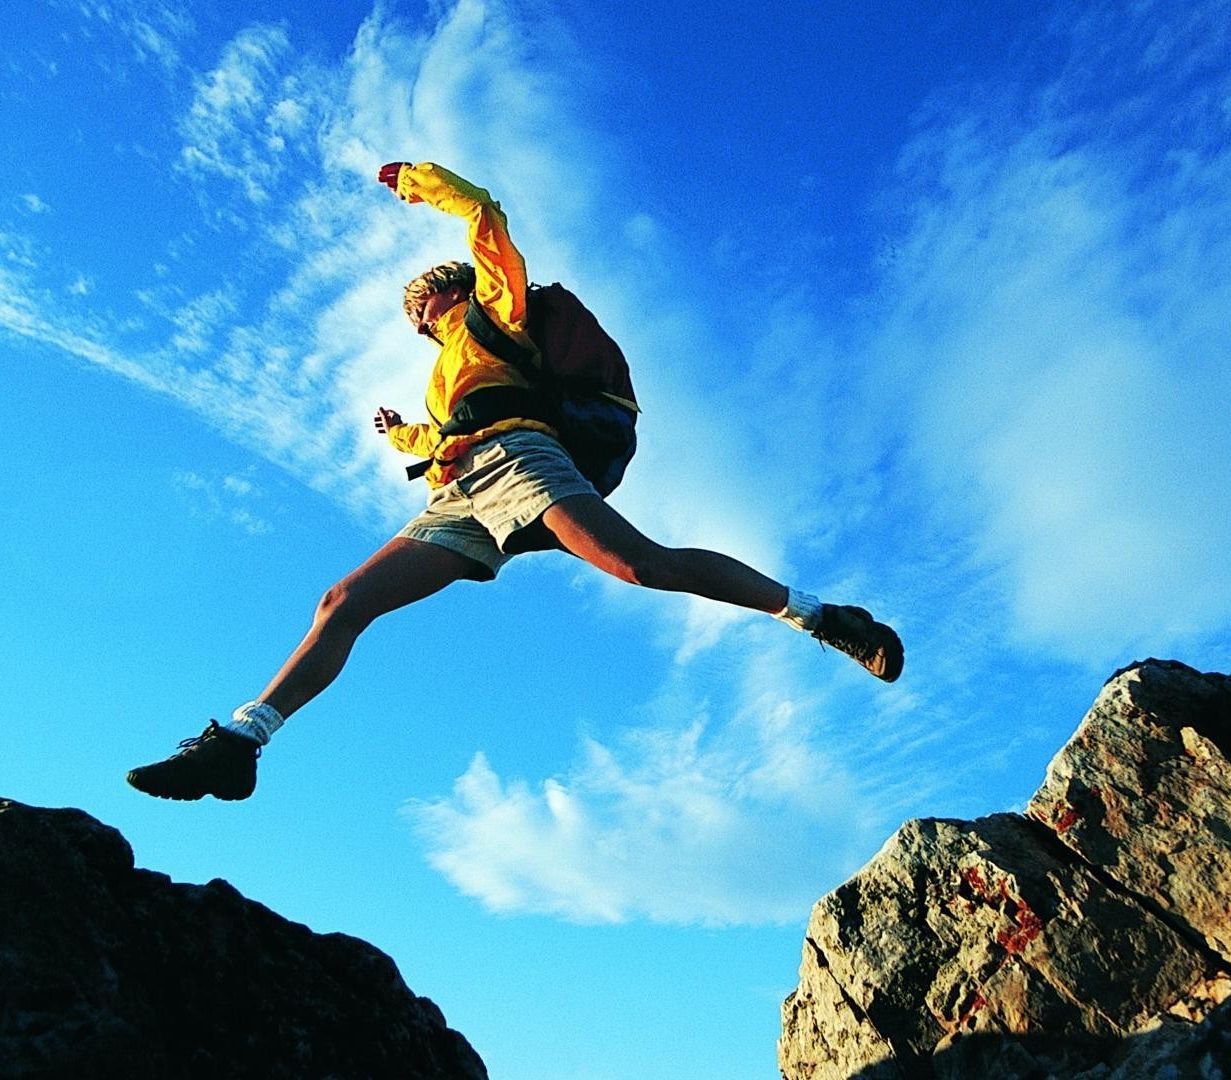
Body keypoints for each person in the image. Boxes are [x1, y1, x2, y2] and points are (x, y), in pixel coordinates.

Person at [126, 161, 903, 802]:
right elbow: (448, 433)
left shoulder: (496, 305)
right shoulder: (444, 371)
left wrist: (427, 184)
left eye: (424, 310)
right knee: (343, 602)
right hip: (459, 491)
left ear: (449, 291)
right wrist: (406, 435)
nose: (421, 324)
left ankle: (822, 616)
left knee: (644, 566)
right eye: (417, 323)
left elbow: (487, 219)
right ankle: (239, 742)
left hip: (522, 460)